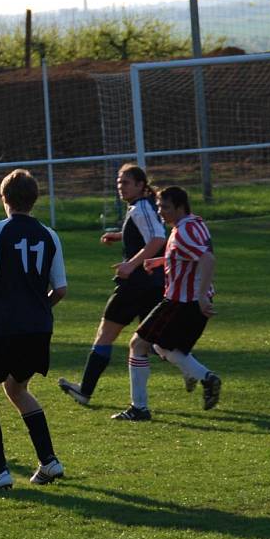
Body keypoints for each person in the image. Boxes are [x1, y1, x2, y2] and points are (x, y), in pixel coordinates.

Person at [0, 169, 68, 490]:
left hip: (5, 328)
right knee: (17, 388)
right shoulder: (50, 235)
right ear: (34, 199)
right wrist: (37, 310)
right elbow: (60, 289)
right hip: (39, 329)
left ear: (4, 198)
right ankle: (49, 462)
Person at [58, 164, 167, 405]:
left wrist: (131, 265)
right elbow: (149, 234)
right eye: (119, 182)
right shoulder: (141, 207)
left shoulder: (142, 208)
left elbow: (158, 238)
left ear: (140, 185)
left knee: (105, 334)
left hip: (137, 284)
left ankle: (85, 391)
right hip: (151, 283)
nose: (121, 187)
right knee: (156, 343)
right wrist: (119, 236)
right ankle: (201, 375)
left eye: (126, 182)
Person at [112, 185, 222, 421]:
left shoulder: (182, 232)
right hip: (187, 301)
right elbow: (191, 254)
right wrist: (161, 261)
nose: (160, 211)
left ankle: (139, 408)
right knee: (165, 347)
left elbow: (207, 258)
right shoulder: (195, 223)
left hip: (181, 301)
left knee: (138, 345)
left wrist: (201, 295)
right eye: (159, 206)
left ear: (180, 207)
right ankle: (201, 376)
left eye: (165, 207)